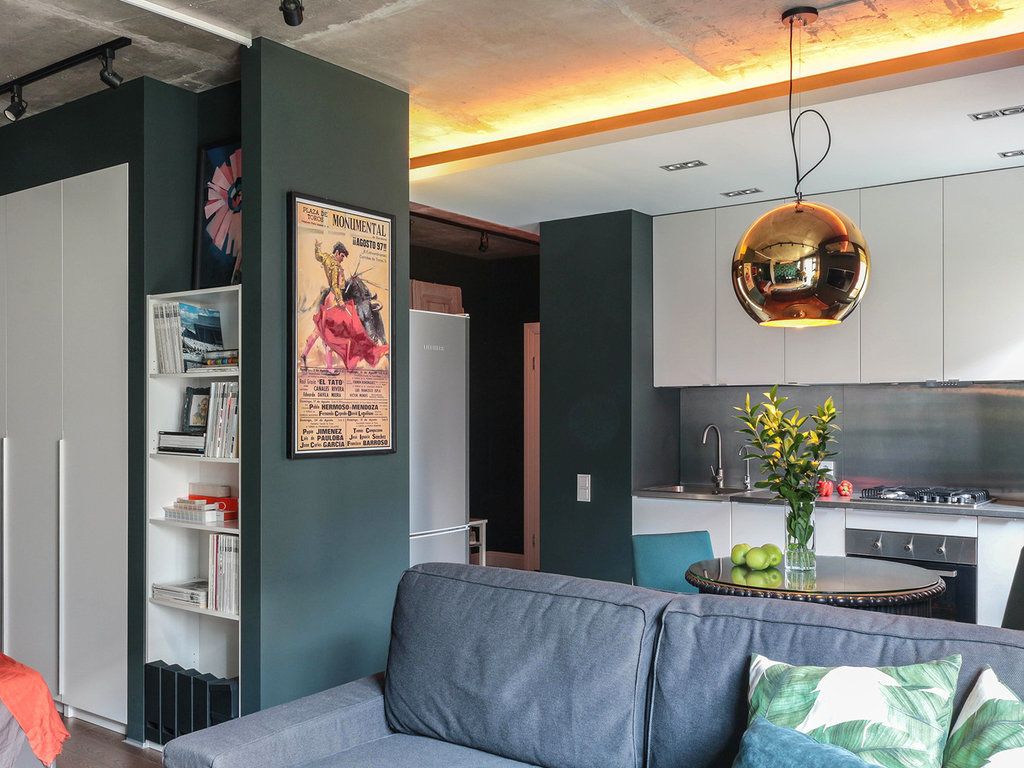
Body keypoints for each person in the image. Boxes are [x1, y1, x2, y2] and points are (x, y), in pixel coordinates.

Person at [300, 239, 389, 374]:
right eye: (341, 256)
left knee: (319, 331)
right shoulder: (336, 267)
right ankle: (330, 367)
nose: (342, 259)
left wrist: (317, 246)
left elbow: (318, 256)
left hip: (330, 298)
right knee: (333, 334)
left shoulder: (326, 259)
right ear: (337, 253)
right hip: (334, 300)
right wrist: (340, 300)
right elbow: (336, 286)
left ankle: (305, 355)